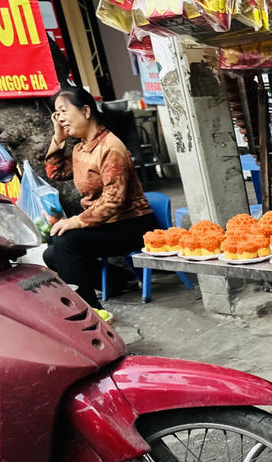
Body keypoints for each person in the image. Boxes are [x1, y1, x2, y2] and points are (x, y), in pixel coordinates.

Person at [43, 86, 156, 312]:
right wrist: (58, 138)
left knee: (67, 241)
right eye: (57, 114)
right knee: (51, 253)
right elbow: (55, 172)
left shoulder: (110, 147)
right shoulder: (81, 149)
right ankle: (120, 280)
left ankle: (89, 310)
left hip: (131, 225)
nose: (61, 119)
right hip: (105, 224)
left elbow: (114, 201)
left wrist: (75, 221)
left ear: (85, 111)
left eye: (64, 111)